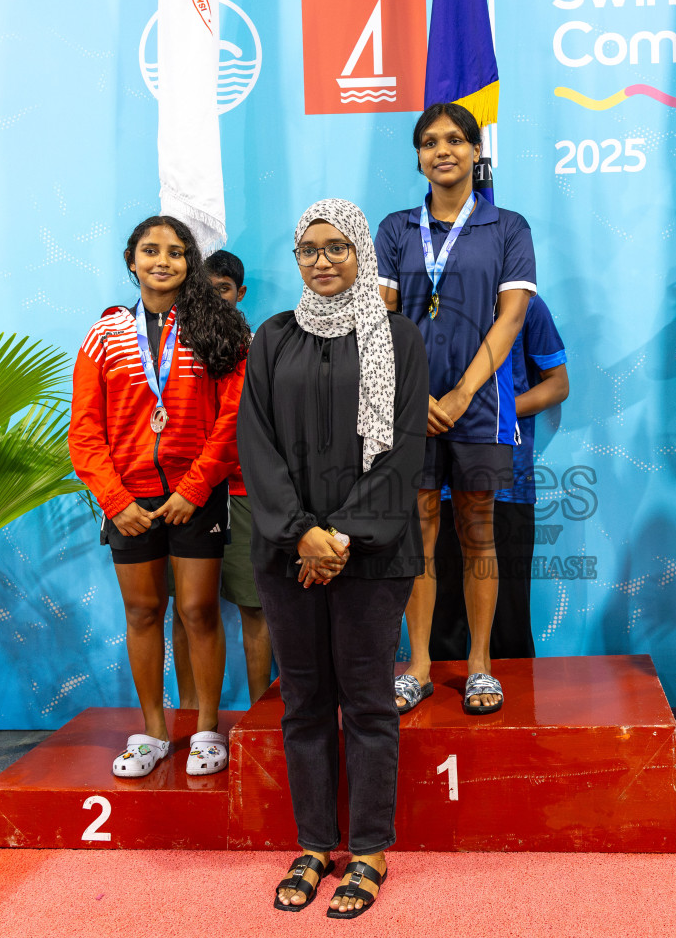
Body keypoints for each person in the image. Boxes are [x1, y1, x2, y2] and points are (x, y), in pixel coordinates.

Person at [241, 199, 427, 918]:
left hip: (373, 556)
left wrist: (340, 536)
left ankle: (371, 849)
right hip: (288, 554)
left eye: (337, 247)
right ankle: (316, 843)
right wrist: (300, 534)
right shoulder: (272, 338)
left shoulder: (399, 337)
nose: (323, 261)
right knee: (305, 706)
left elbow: (404, 447)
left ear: (362, 254)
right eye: (309, 249)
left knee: (370, 704)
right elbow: (255, 445)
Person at [69, 215, 249, 778]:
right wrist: (115, 501)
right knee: (144, 611)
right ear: (132, 261)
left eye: (175, 252)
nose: (162, 261)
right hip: (131, 500)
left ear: (189, 262)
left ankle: (204, 730)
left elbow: (232, 419)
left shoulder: (216, 329)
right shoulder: (104, 337)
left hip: (195, 495)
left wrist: (195, 490)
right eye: (151, 250)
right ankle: (152, 731)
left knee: (197, 610)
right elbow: (84, 432)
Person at [376, 102, 537, 715]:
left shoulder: (508, 227)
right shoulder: (395, 228)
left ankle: (478, 665)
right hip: (408, 405)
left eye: (454, 139)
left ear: (476, 151)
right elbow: (381, 320)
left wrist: (464, 393)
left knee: (477, 534)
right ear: (418, 156)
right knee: (416, 534)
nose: (442, 150)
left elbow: (512, 317)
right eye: (429, 141)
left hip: (479, 408)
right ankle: (416, 665)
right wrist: (415, 397)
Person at [431, 295, 569, 660]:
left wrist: (489, 411)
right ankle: (440, 711)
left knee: (508, 624)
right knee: (441, 624)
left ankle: (514, 711)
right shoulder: (428, 302)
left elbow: (557, 384)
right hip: (436, 484)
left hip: (507, 486)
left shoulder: (526, 306)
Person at [171, 249, 273, 707]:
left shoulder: (260, 345)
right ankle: (190, 717)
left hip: (241, 490)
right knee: (186, 609)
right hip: (186, 492)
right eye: (206, 289)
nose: (215, 299)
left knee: (256, 606)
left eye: (224, 290)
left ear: (240, 293)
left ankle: (260, 716)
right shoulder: (173, 346)